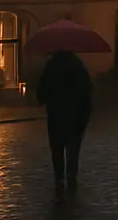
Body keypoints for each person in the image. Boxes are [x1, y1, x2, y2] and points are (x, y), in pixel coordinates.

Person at [36, 50, 92, 189]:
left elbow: (42, 90)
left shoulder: (52, 65)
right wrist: (85, 114)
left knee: (57, 148)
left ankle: (59, 176)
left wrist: (43, 98)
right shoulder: (78, 66)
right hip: (75, 116)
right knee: (73, 148)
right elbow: (87, 92)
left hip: (56, 115)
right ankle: (71, 176)